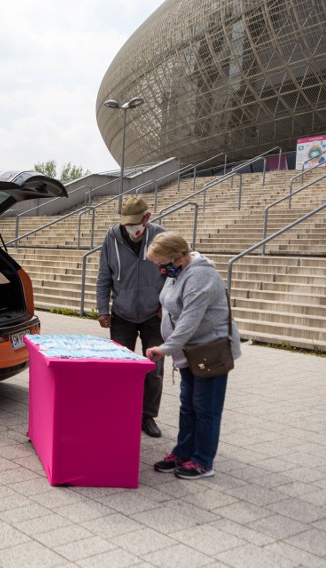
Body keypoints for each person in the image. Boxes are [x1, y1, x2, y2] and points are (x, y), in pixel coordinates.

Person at [145, 232, 241, 480]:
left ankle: (202, 461)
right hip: (189, 352)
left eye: (162, 264)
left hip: (209, 352)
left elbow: (189, 321)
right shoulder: (177, 272)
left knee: (205, 408)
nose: (160, 270)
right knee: (188, 406)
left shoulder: (200, 275)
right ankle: (183, 452)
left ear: (179, 257)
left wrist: (164, 349)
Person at [96, 195, 166, 437]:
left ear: (147, 218)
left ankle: (147, 416)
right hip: (122, 314)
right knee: (120, 369)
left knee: (154, 369)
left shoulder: (160, 236)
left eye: (136, 223)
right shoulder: (111, 237)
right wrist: (102, 308)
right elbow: (104, 275)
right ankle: (120, 411)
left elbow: (174, 273)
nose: (131, 228)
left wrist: (165, 305)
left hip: (153, 315)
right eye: (127, 224)